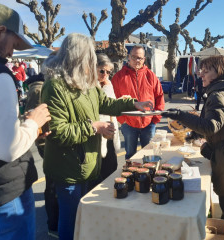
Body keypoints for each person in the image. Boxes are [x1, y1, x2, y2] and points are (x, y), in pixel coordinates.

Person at [41, 33, 153, 240]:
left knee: (84, 216)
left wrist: (133, 104)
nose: (92, 60)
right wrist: (94, 127)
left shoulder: (88, 83)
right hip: (68, 168)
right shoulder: (55, 87)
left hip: (87, 164)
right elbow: (58, 132)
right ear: (79, 57)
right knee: (72, 218)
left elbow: (106, 103)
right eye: (89, 55)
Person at [0, 2, 51, 240]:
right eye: (14, 45)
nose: (12, 54)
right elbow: (7, 150)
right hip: (2, 195)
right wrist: (34, 123)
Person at [163, 55, 224, 240]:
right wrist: (194, 134)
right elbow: (222, 123)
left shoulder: (218, 95)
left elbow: (210, 126)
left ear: (219, 72)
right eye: (201, 70)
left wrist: (181, 116)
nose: (201, 74)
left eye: (206, 70)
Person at [111, 45, 165, 160]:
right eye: (134, 57)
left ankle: (148, 177)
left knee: (150, 156)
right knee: (131, 156)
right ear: (129, 57)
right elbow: (113, 101)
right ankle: (131, 177)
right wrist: (122, 120)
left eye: (140, 58)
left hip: (149, 123)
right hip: (128, 124)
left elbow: (159, 96)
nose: (137, 60)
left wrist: (156, 119)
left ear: (144, 59)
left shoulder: (151, 76)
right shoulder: (118, 77)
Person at [24, 71, 59, 238]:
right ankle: (52, 225)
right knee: (52, 182)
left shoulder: (46, 86)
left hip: (51, 140)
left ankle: (54, 221)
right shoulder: (38, 89)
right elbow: (30, 117)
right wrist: (40, 137)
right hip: (46, 142)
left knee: (55, 181)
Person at [96, 53, 121, 180]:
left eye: (108, 72)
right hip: (98, 133)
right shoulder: (91, 86)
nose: (105, 74)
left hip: (110, 130)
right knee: (100, 171)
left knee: (112, 166)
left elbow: (112, 105)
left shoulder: (108, 84)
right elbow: (102, 106)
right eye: (102, 70)